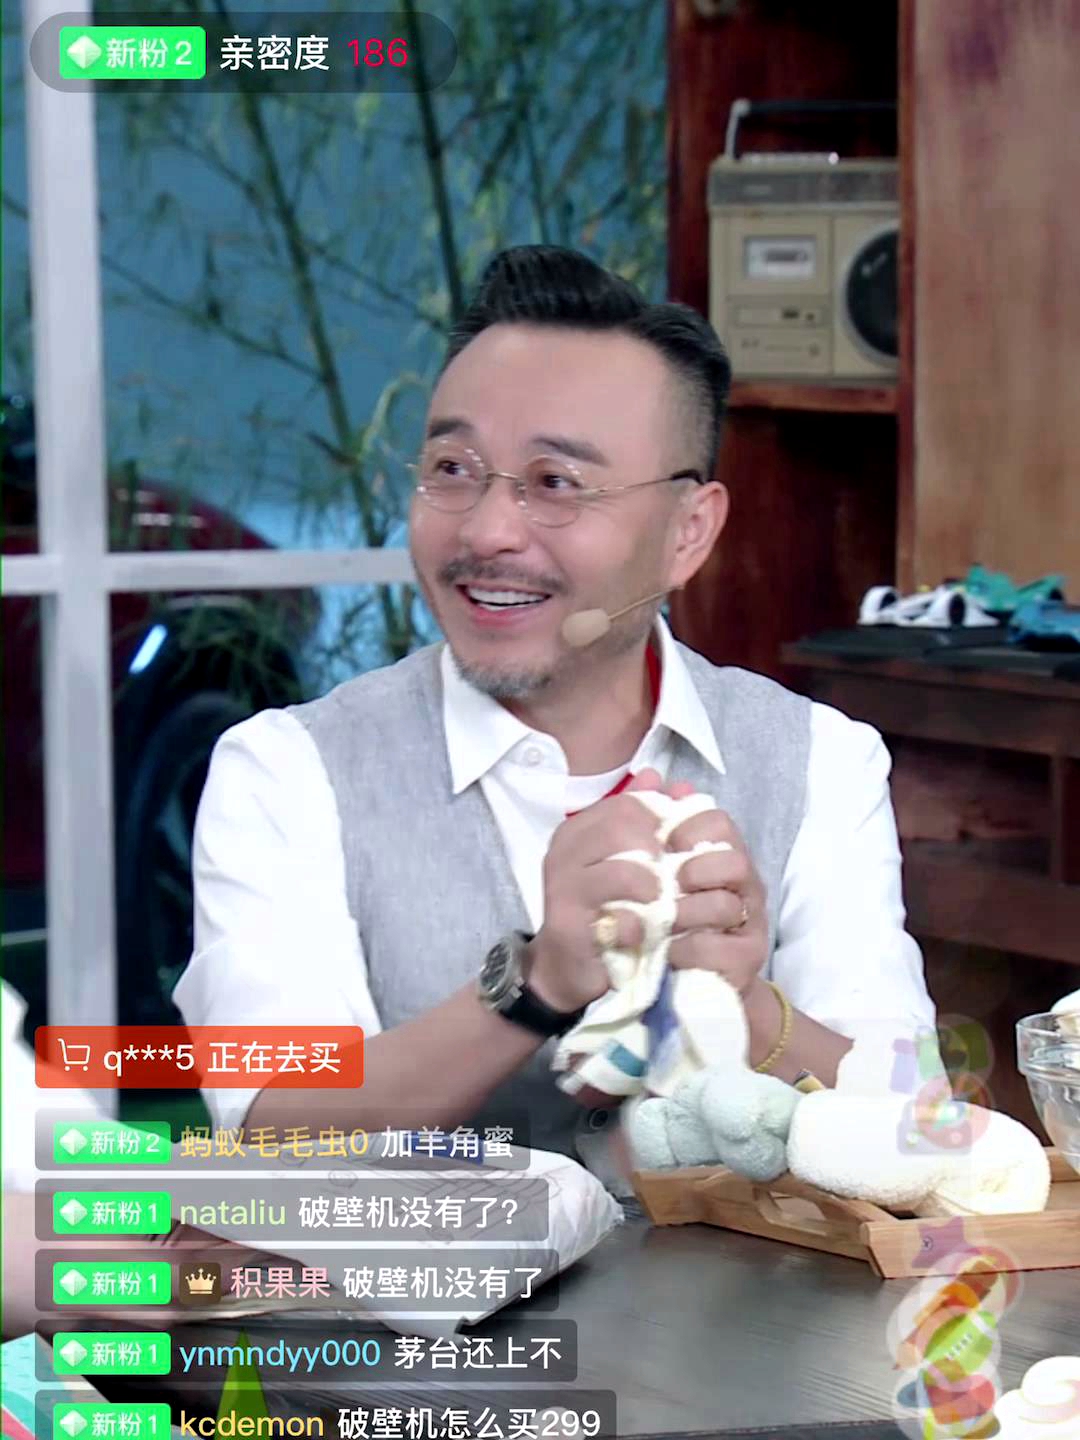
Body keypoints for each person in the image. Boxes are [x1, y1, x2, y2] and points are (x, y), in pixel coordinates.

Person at [175, 245, 935, 1176]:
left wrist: (746, 1006)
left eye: (556, 483)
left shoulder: (819, 761)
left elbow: (917, 1127)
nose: (487, 531)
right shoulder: (286, 771)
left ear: (688, 532)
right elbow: (273, 1124)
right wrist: (537, 983)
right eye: (453, 468)